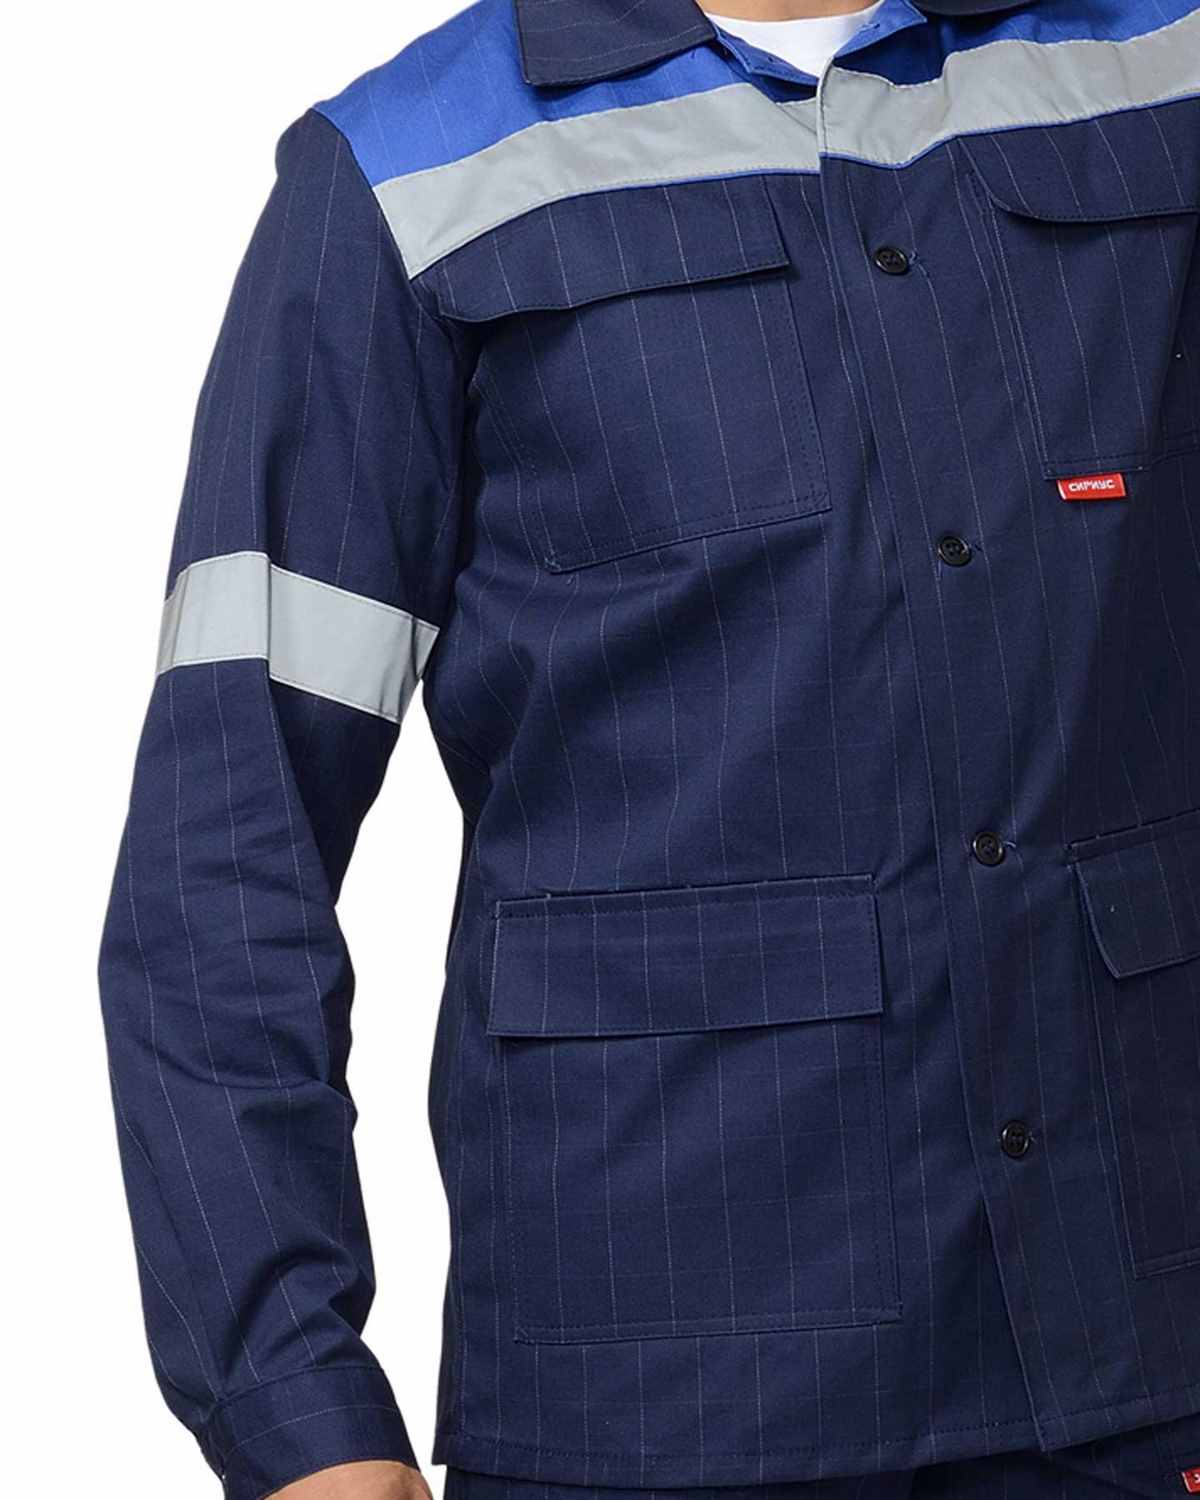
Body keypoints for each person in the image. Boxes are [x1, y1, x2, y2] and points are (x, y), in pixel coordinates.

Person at [98, 0, 1200, 1496]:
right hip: (653, 1392)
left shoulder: (1161, 69)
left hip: (1139, 1365)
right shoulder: (411, 177)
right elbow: (220, 864)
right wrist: (300, 1418)